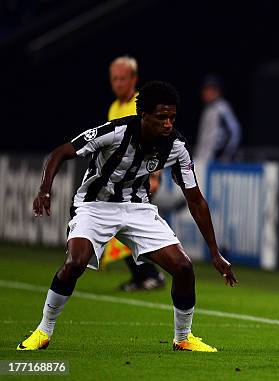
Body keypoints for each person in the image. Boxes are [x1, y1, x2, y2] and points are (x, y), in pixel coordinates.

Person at [18, 81, 237, 352]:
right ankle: (43, 331)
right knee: (75, 263)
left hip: (137, 208)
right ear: (143, 115)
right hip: (93, 206)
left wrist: (214, 253)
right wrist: (44, 190)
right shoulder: (115, 132)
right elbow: (61, 153)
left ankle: (183, 338)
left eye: (172, 117)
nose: (168, 124)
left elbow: (195, 199)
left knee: (183, 268)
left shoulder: (176, 146)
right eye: (161, 117)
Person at [107, 55, 166, 291]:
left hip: (142, 179)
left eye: (122, 78)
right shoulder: (114, 107)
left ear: (133, 79)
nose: (118, 83)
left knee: (130, 230)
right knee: (121, 230)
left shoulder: (142, 105)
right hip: (121, 181)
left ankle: (151, 275)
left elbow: (159, 140)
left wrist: (155, 176)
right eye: (114, 79)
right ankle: (144, 276)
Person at [193, 75, 241, 162]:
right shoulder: (208, 109)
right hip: (203, 158)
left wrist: (227, 155)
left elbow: (234, 132)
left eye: (207, 89)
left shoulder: (222, 107)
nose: (204, 93)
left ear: (216, 91)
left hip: (216, 160)